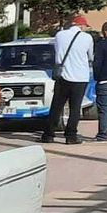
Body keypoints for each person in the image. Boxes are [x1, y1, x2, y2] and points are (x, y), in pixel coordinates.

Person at [42, 14, 95, 145]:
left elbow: (57, 51)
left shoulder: (60, 35)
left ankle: (48, 134)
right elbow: (91, 56)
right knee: (75, 108)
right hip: (80, 77)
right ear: (81, 25)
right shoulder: (87, 38)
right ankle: (71, 135)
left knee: (57, 106)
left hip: (62, 76)